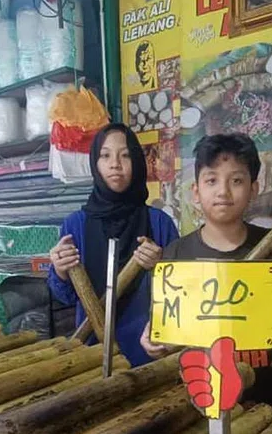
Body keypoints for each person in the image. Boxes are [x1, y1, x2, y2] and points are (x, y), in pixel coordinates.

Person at [140, 133, 272, 411]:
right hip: (199, 400)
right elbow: (165, 328)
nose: (223, 191)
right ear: (196, 191)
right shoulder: (176, 255)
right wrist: (154, 340)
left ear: (254, 189)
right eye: (211, 180)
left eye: (236, 180)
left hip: (264, 398)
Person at [49, 123, 179, 366]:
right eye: (105, 155)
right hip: (91, 355)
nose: (115, 164)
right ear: (95, 164)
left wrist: (160, 266)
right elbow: (64, 297)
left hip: (149, 355)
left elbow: (181, 293)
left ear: (138, 163)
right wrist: (60, 270)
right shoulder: (75, 225)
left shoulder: (159, 223)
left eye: (125, 155)